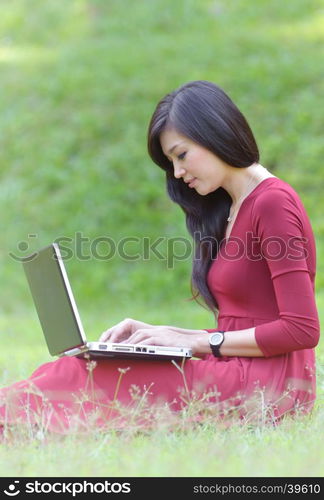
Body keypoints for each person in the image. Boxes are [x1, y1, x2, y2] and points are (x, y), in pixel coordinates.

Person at [0, 80, 320, 434]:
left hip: (270, 386)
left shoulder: (273, 202)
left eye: (181, 155)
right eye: (171, 162)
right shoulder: (232, 208)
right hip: (243, 368)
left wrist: (194, 342)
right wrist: (165, 334)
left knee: (84, 373)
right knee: (74, 366)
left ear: (215, 132)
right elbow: (243, 327)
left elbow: (301, 329)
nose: (178, 173)